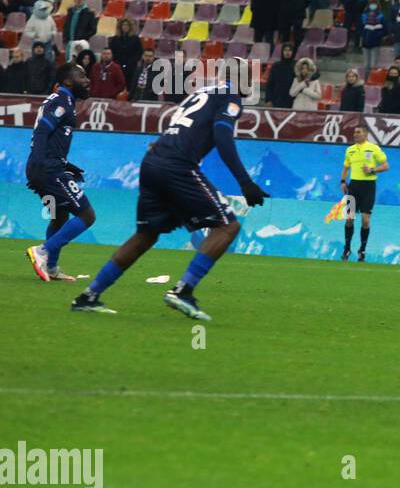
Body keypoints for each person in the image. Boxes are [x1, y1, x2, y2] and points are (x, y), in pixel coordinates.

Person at [71, 75, 269, 317]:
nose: (255, 85)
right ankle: (183, 290)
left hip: (153, 162)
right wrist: (245, 182)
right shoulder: (231, 98)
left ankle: (88, 295)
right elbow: (222, 135)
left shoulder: (202, 93)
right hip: (178, 167)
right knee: (228, 226)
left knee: (145, 236)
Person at [24, 63, 96, 283]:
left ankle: (52, 268)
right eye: (81, 76)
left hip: (46, 166)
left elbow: (48, 136)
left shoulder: (62, 101)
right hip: (47, 168)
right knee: (87, 215)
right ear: (67, 81)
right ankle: (43, 252)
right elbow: (43, 130)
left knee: (59, 216)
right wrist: (41, 164)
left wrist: (65, 163)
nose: (87, 80)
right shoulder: (61, 102)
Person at [338, 125, 388, 261]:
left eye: (358, 132)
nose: (355, 134)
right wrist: (343, 181)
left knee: (365, 220)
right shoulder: (350, 150)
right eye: (354, 132)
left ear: (366, 135)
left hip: (368, 187)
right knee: (349, 219)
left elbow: (385, 166)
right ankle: (347, 249)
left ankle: (362, 250)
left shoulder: (373, 148)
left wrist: (372, 170)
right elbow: (346, 167)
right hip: (353, 186)